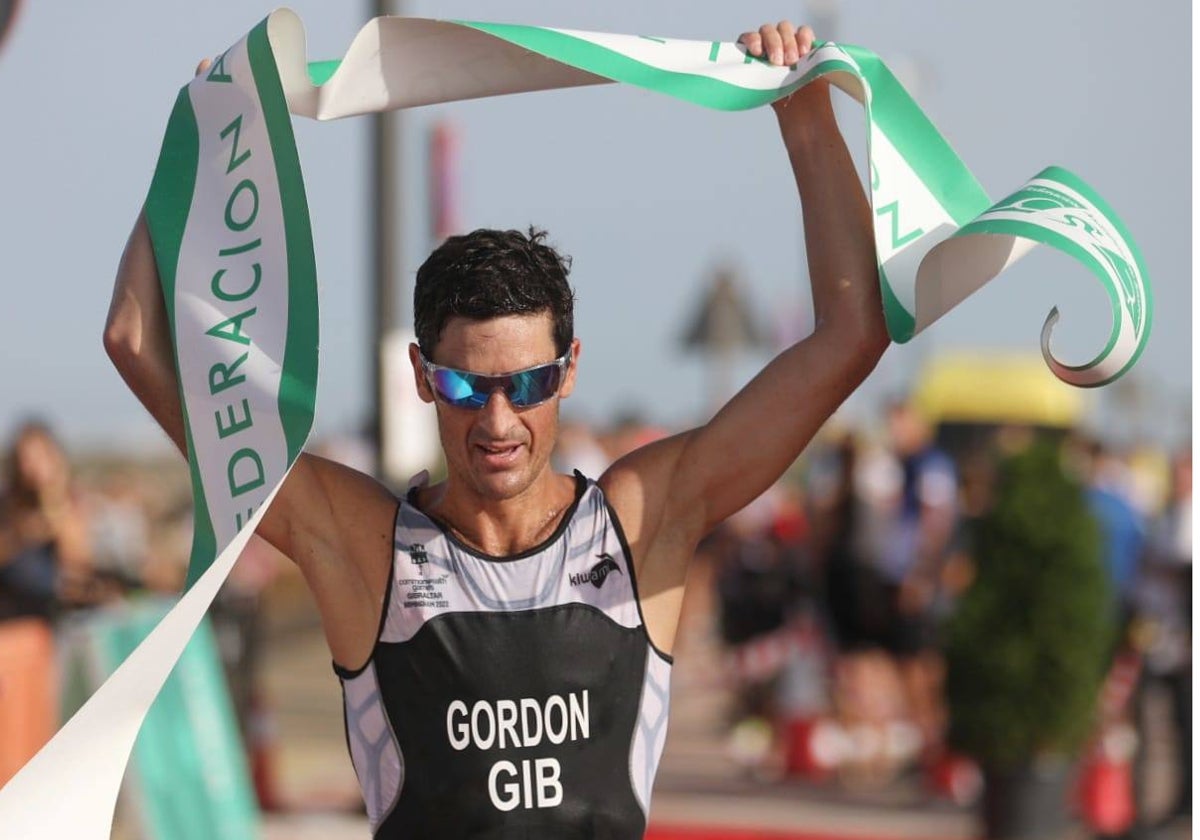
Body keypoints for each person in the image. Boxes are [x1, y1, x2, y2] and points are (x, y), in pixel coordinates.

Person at [104, 21, 890, 838]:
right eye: (464, 386)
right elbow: (134, 342)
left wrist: (804, 117)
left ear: (570, 369)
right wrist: (198, 148)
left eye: (527, 384)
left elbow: (850, 337)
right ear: (419, 376)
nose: (498, 420)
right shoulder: (366, 549)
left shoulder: (640, 519)